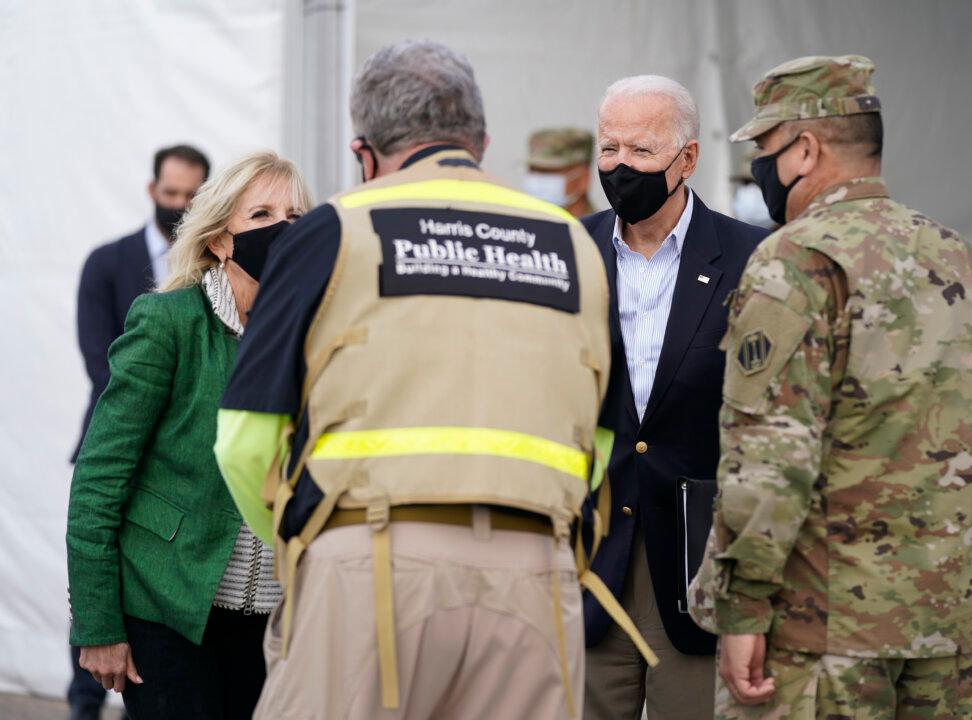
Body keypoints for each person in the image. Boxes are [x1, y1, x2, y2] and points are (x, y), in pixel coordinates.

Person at [214, 40, 653, 720]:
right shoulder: (574, 245)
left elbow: (243, 442)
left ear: (364, 153)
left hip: (368, 567)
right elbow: (601, 436)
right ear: (480, 141)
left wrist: (299, 546)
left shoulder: (333, 230)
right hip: (536, 578)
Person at [687, 55, 972, 719]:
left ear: (805, 149)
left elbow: (770, 459)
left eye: (766, 148)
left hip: (822, 646)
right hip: (945, 641)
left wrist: (744, 609)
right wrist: (958, 587)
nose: (762, 168)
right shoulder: (960, 259)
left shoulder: (796, 261)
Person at [67, 152, 312, 720]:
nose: (283, 229)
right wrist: (98, 623)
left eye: (297, 216)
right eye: (262, 214)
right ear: (221, 238)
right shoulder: (169, 322)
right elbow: (100, 479)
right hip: (169, 610)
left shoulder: (313, 336)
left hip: (276, 620)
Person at [580, 75, 768, 720]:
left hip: (698, 562)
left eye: (641, 151)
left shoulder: (752, 258)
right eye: (609, 150)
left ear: (686, 159)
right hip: (589, 557)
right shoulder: (566, 254)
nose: (620, 167)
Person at [67, 143, 209, 720]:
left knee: (153, 592)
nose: (177, 206)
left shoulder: (211, 269)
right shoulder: (107, 262)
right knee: (97, 576)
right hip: (116, 442)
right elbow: (100, 362)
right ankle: (81, 703)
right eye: (169, 194)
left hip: (177, 462)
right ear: (152, 191)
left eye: (189, 197)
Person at [524, 128, 596, 217]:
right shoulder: (520, 227)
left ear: (583, 179)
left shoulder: (603, 229)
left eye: (549, 171)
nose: (538, 180)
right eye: (534, 170)